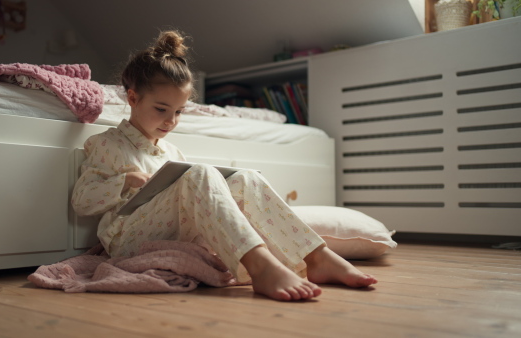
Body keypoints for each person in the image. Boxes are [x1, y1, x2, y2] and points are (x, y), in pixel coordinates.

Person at [71, 30, 377, 301]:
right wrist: (125, 182)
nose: (170, 120)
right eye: (161, 109)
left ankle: (317, 256)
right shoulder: (106, 144)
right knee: (199, 171)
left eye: (178, 112)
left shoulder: (171, 149)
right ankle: (260, 266)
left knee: (245, 178)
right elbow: (82, 201)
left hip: (172, 231)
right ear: (134, 98)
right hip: (126, 236)